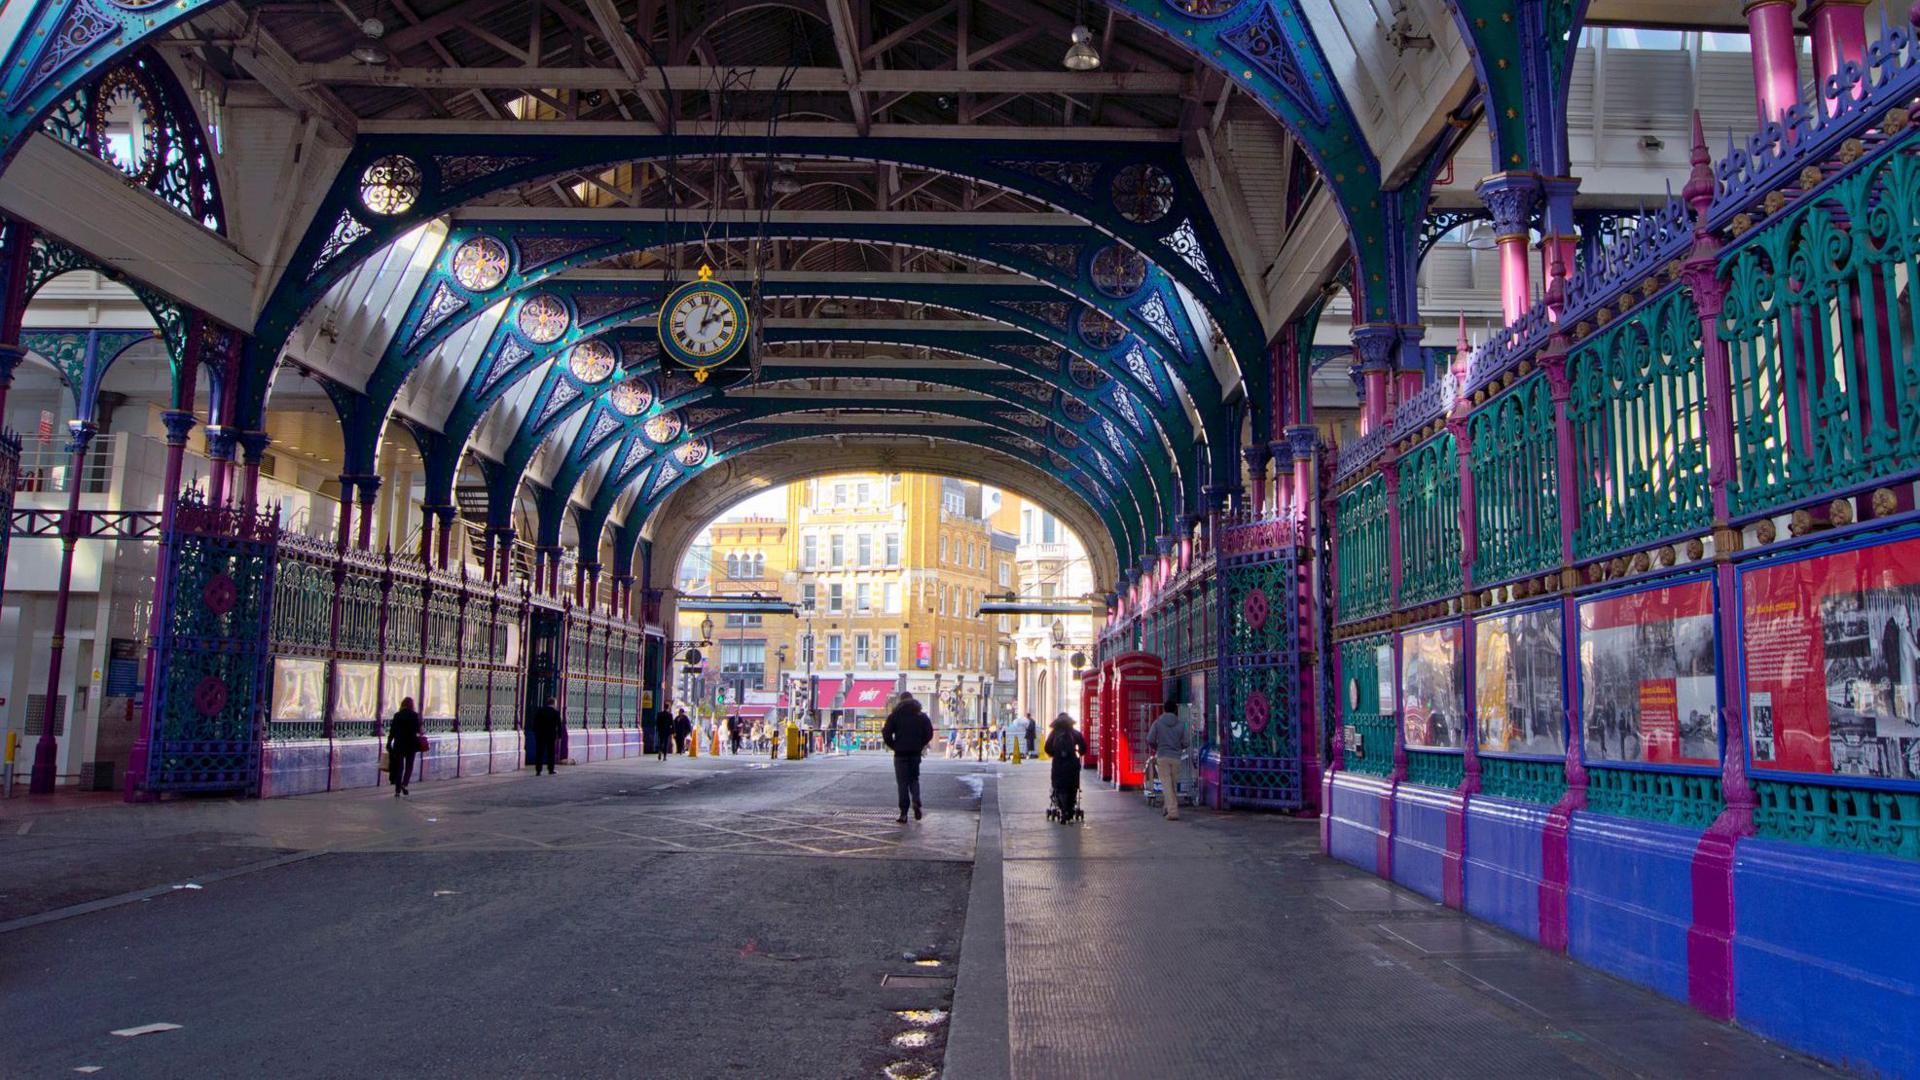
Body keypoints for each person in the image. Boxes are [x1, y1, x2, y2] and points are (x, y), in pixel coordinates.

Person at [881, 691, 934, 823]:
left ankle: (903, 813)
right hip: (915, 753)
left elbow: (886, 733)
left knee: (902, 783)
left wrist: (894, 745)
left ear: (901, 700)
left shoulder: (895, 715)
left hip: (900, 754)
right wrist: (920, 744)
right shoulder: (920, 715)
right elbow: (929, 733)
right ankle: (916, 801)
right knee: (914, 779)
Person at [1145, 703, 1189, 820]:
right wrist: (1179, 748)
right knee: (1172, 785)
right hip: (1176, 758)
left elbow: (1150, 739)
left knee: (1167, 785)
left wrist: (1156, 747)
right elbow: (1186, 742)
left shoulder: (1158, 723)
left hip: (1163, 756)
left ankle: (1173, 812)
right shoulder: (1181, 724)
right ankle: (1166, 808)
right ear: (1176, 710)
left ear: (1164, 710)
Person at [1043, 712, 1087, 820]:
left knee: (1058, 785)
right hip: (1072, 764)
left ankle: (1062, 808)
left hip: (1058, 764)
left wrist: (1054, 754)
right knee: (1073, 786)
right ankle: (1070, 808)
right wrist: (1079, 753)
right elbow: (1083, 747)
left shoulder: (1054, 733)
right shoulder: (1075, 733)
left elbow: (1047, 747)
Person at [387, 696, 423, 796]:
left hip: (399, 744)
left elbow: (392, 731)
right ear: (412, 705)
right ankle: (405, 784)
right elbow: (418, 730)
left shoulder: (397, 715)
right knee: (409, 766)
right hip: (411, 744)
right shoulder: (415, 715)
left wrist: (389, 742)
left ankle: (397, 790)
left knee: (399, 767)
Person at [528, 696, 562, 775]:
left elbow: (535, 722)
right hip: (551, 735)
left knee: (539, 752)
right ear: (554, 703)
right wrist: (559, 736)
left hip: (540, 735)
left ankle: (538, 770)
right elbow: (559, 725)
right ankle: (551, 769)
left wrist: (535, 732)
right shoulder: (556, 712)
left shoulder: (540, 711)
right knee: (551, 752)